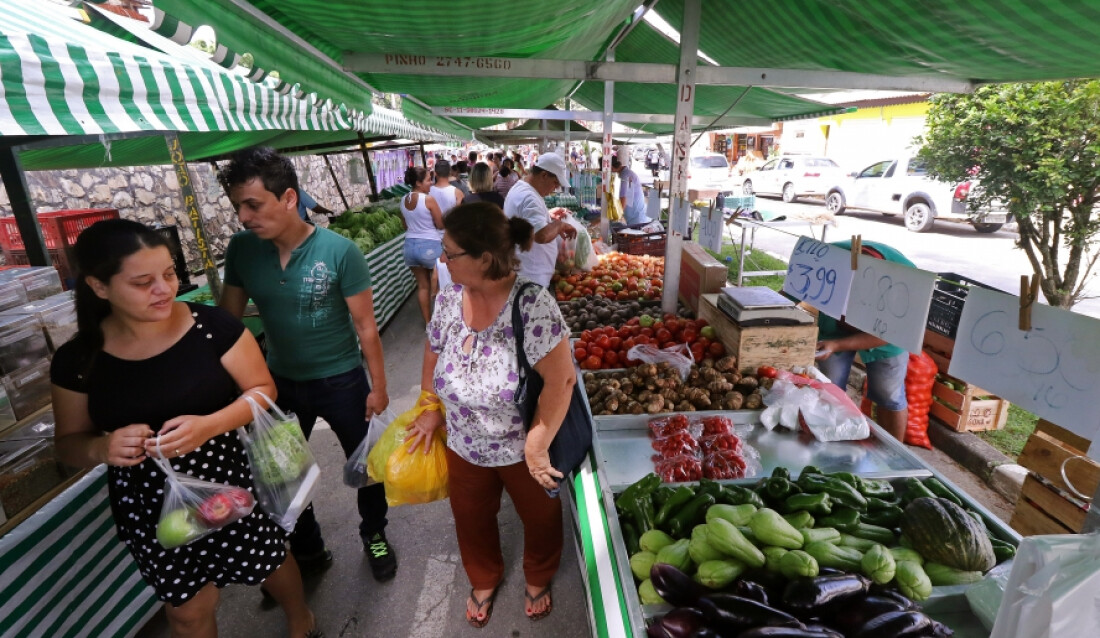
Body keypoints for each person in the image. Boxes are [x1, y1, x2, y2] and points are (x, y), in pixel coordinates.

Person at [50, 219, 322, 638]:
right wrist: (101, 449)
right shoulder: (77, 360)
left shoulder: (213, 327)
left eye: (169, 273)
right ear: (99, 286)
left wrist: (210, 426)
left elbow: (262, 391)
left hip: (228, 482)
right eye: (143, 282)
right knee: (187, 611)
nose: (163, 289)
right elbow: (67, 444)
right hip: (150, 502)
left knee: (267, 562)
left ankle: (299, 618)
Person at [217, 147, 396, 582]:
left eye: (253, 204)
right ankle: (307, 547)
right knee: (284, 471)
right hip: (277, 384)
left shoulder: (339, 251)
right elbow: (228, 323)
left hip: (342, 381)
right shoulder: (242, 250)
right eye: (238, 205)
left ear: (290, 198)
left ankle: (374, 532)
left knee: (366, 464)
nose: (243, 216)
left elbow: (366, 327)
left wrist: (378, 386)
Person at [405, 203, 574, 628]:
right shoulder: (447, 298)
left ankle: (537, 574)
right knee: (471, 516)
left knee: (540, 517)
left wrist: (537, 445)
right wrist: (430, 406)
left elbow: (561, 382)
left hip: (521, 446)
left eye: (450, 252)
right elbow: (433, 346)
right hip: (463, 441)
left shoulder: (533, 305)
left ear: (483, 258)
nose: (442, 259)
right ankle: (484, 576)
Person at [814, 240, 914, 442]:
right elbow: (794, 290)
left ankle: (894, 451)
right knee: (829, 389)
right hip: (835, 328)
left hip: (887, 335)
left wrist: (837, 346)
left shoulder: (907, 280)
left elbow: (890, 333)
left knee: (889, 394)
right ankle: (830, 441)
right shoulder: (828, 257)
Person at [502, 152, 577, 288]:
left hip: (526, 274)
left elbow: (526, 220)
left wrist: (547, 216)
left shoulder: (522, 188)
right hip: (530, 277)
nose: (555, 188)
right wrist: (559, 225)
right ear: (544, 175)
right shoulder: (529, 196)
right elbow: (541, 235)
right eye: (555, 183)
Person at [396, 166, 446, 322]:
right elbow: (440, 224)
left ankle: (428, 323)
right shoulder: (428, 200)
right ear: (418, 183)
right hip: (430, 245)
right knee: (439, 284)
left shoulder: (403, 200)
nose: (431, 183)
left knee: (423, 286)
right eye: (428, 180)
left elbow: (405, 226)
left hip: (410, 246)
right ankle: (441, 322)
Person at [611, 155, 649, 225]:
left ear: (612, 168)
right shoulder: (626, 173)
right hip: (636, 213)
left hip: (635, 215)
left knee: (636, 232)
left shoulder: (624, 176)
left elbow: (623, 198)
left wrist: (616, 217)